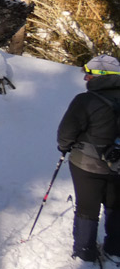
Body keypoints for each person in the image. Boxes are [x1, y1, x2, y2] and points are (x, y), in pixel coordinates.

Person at [58, 54, 120, 262]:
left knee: (87, 207)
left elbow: (67, 131)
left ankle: (85, 253)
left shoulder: (85, 101)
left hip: (87, 164)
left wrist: (64, 147)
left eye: (89, 74)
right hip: (119, 165)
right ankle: (115, 250)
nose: (86, 79)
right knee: (116, 205)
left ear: (103, 75)